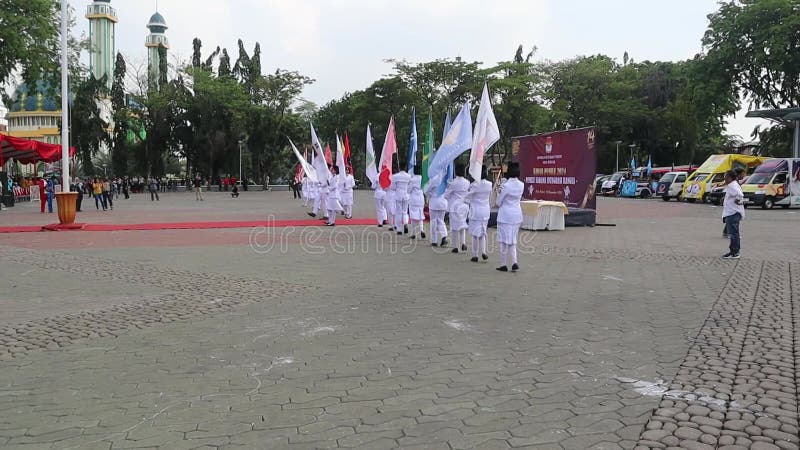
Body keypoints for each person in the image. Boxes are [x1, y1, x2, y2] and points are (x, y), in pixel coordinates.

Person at [495, 163, 524, 272]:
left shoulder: (505, 186)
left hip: (505, 215)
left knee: (503, 240)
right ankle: (514, 262)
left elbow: (498, 202)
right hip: (517, 215)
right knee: (513, 239)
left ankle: (503, 264)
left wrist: (500, 188)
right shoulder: (522, 184)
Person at [465, 168, 493, 262]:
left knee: (475, 234)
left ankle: (475, 255)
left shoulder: (474, 185)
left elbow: (466, 197)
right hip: (485, 211)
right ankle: (484, 252)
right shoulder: (489, 184)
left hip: (475, 211)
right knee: (483, 232)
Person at [445, 165, 470, 253]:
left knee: (454, 227)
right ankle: (463, 242)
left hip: (454, 206)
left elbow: (446, 195)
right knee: (462, 224)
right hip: (464, 205)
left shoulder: (453, 183)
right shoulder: (467, 182)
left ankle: (455, 246)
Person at [722, 169, 744, 259]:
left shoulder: (732, 185)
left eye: (725, 177)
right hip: (733, 212)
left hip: (732, 212)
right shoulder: (734, 184)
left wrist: (738, 200)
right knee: (734, 233)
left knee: (734, 234)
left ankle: (734, 252)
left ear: (730, 178)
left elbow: (740, 194)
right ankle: (734, 251)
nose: (725, 179)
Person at [427, 179, 449, 247]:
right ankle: (444, 235)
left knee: (433, 221)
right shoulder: (446, 180)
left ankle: (434, 241)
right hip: (443, 202)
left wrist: (430, 195)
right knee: (441, 221)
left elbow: (427, 190)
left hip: (434, 202)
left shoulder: (433, 180)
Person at [392, 166, 411, 235]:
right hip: (406, 195)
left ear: (399, 168)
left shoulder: (395, 176)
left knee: (398, 212)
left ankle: (399, 229)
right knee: (405, 211)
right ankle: (405, 223)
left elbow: (393, 187)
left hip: (398, 195)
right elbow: (410, 186)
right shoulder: (409, 176)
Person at [408, 169, 426, 239]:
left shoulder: (413, 180)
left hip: (413, 199)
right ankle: (422, 230)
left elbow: (409, 190)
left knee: (413, 217)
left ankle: (413, 233)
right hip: (421, 199)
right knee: (420, 216)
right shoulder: (423, 179)